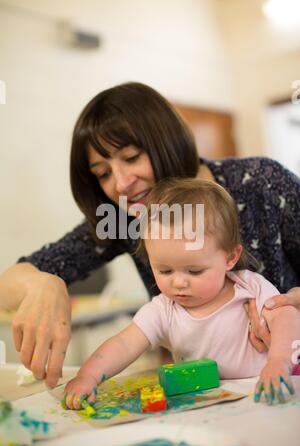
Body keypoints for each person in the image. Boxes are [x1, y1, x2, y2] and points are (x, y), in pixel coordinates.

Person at [0, 82, 300, 388]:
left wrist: (289, 314)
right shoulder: (123, 218)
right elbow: (7, 283)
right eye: (103, 173)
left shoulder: (262, 183)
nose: (121, 184)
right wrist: (40, 283)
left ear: (166, 140)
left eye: (131, 158)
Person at [63, 178, 300, 409]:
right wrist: (88, 376)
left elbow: (286, 316)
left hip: (269, 389)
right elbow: (124, 344)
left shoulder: (250, 287)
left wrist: (278, 361)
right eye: (164, 270)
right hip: (211, 405)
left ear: (230, 257)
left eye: (194, 270)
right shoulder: (163, 310)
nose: (178, 282)